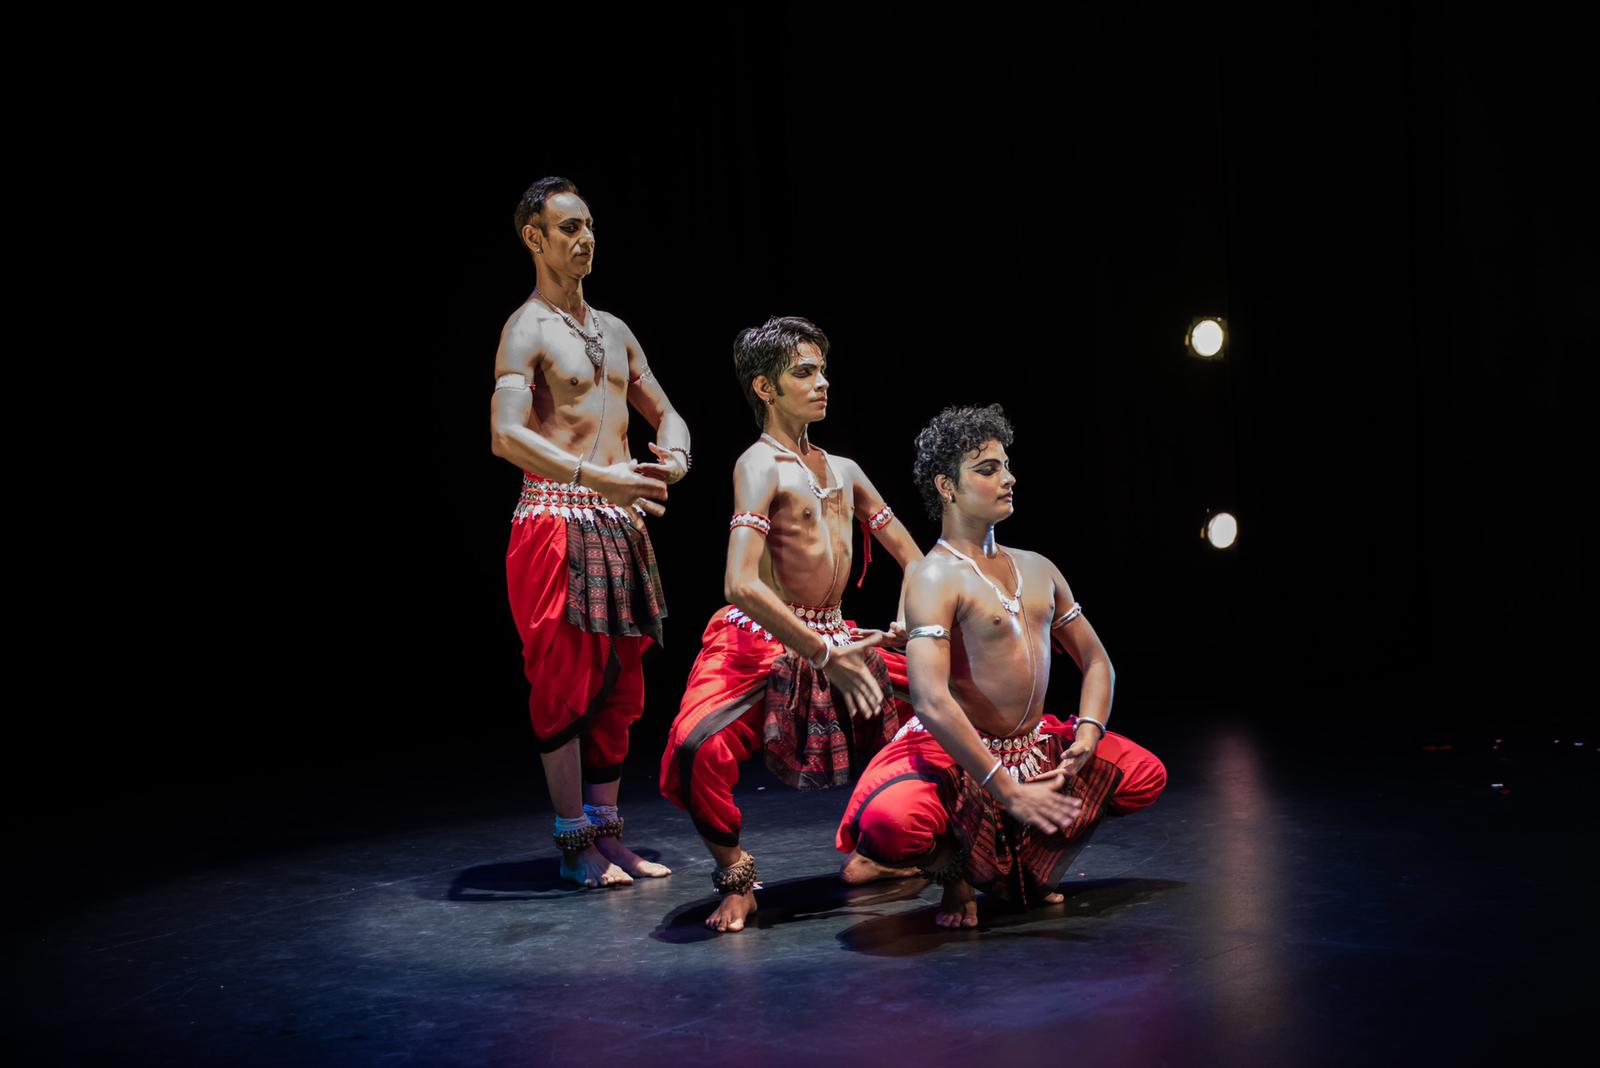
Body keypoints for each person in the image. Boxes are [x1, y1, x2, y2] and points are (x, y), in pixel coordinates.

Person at [835, 404, 1167, 927]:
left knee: (1145, 775)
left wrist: (1086, 734)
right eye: (987, 469)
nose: (1008, 477)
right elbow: (929, 698)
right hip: (957, 749)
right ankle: (952, 870)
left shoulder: (1038, 568)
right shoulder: (934, 576)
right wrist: (1006, 788)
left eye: (1006, 465)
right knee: (891, 823)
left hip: (1032, 747)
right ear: (947, 486)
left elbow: (1097, 660)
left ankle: (1017, 865)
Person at [659, 316, 922, 932]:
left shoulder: (847, 470)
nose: (823, 383)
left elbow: (914, 559)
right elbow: (739, 584)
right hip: (761, 640)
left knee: (948, 704)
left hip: (838, 636)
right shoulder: (759, 466)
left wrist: (906, 623)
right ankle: (738, 878)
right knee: (694, 748)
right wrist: (824, 656)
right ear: (765, 388)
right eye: (805, 372)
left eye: (823, 370)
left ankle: (890, 849)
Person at [490, 177, 691, 888]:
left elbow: (665, 412)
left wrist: (677, 452)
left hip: (619, 522)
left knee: (620, 686)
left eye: (590, 226)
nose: (585, 239)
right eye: (569, 228)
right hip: (554, 520)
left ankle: (610, 836)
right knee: (565, 684)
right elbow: (505, 435)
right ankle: (575, 838)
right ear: (535, 238)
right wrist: (593, 476)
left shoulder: (615, 330)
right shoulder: (527, 329)